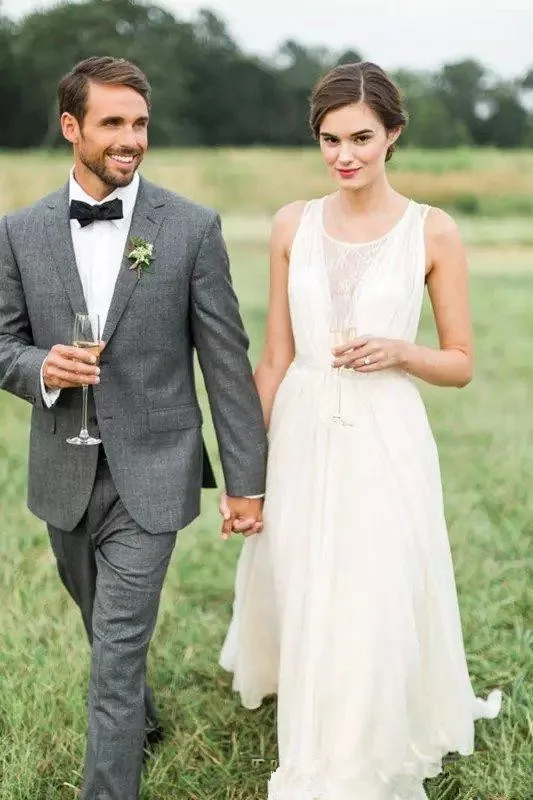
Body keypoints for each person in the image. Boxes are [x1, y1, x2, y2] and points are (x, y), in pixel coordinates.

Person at [219, 61, 501, 800]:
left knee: (374, 588)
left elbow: (462, 362)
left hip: (386, 431)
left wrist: (402, 351)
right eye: (328, 139)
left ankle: (358, 749)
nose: (344, 155)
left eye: (360, 138)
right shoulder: (291, 224)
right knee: (311, 583)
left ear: (393, 134)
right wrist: (246, 472)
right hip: (305, 428)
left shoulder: (431, 231)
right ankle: (317, 721)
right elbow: (275, 355)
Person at [0, 56, 267, 800]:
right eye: (112, 123)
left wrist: (246, 483)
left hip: (156, 468)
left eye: (139, 123)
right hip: (64, 471)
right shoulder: (19, 233)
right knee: (98, 621)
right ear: (70, 127)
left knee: (115, 651)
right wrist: (38, 369)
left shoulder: (189, 229)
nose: (130, 139)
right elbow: (2, 344)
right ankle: (140, 716)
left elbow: (224, 363)